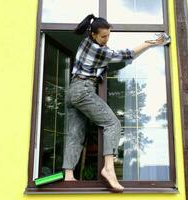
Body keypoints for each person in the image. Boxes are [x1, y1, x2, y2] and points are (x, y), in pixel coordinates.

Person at [62, 14, 167, 192]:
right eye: (103, 36)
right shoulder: (98, 50)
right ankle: (109, 168)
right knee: (112, 123)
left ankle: (69, 174)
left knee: (75, 133)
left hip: (72, 91)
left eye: (109, 35)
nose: (107, 39)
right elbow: (127, 55)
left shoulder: (86, 42)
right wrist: (151, 43)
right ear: (94, 35)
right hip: (83, 90)